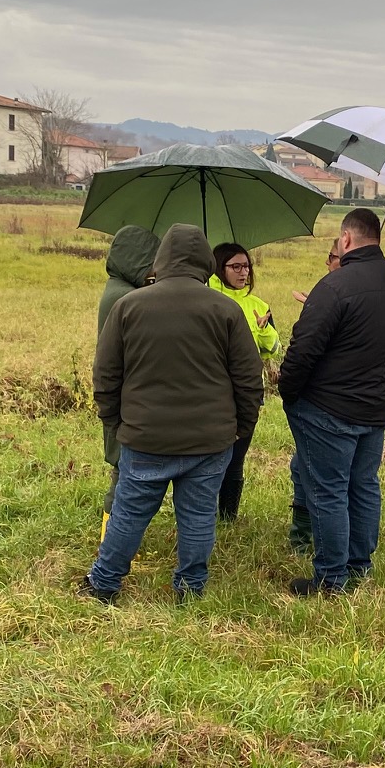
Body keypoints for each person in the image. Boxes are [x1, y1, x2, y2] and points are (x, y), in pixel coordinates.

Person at [83, 224, 262, 603]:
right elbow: (249, 380)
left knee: (129, 514)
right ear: (205, 261)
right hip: (210, 440)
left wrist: (116, 424)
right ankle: (190, 589)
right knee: (198, 517)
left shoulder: (128, 306)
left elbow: (105, 375)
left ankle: (103, 584)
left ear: (161, 258)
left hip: (145, 436)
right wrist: (239, 429)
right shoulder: (227, 309)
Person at [278, 208, 385, 596]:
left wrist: (288, 394)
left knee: (328, 491)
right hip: (376, 409)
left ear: (345, 240)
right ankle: (359, 566)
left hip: (326, 410)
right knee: (363, 486)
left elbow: (302, 350)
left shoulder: (334, 287)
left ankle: (330, 579)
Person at [206, 243, 277, 522]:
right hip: (213, 392)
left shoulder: (258, 305)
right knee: (210, 458)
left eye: (247, 266)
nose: (243, 272)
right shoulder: (206, 298)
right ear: (219, 267)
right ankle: (202, 515)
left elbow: (274, 349)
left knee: (236, 459)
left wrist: (262, 332)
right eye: (236, 266)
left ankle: (228, 517)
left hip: (247, 393)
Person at [95, 225, 159, 517]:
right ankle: (111, 544)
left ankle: (114, 541)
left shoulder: (121, 289)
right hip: (126, 398)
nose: (154, 269)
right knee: (124, 474)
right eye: (150, 261)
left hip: (123, 397)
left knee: (124, 471)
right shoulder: (125, 298)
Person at [285, 242, 340, 554]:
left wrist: (288, 392)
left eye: (333, 257)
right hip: (351, 402)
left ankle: (318, 547)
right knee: (302, 466)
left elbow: (306, 351)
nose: (328, 263)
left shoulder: (337, 294)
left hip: (326, 402)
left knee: (321, 478)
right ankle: (303, 538)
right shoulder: (329, 292)